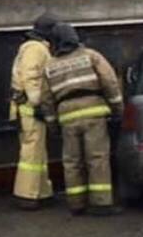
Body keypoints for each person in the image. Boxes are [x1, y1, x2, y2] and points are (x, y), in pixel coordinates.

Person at [42, 23, 124, 215]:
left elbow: (46, 100)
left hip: (67, 117)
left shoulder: (50, 66)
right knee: (97, 158)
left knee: (72, 162)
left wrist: (53, 125)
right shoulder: (91, 56)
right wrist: (118, 108)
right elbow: (110, 82)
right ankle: (101, 203)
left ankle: (76, 204)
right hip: (93, 112)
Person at [9, 13, 57, 209]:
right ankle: (26, 195)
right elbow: (31, 77)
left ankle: (42, 192)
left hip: (25, 108)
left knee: (38, 153)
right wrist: (37, 102)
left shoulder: (30, 47)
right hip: (30, 109)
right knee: (31, 153)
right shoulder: (36, 49)